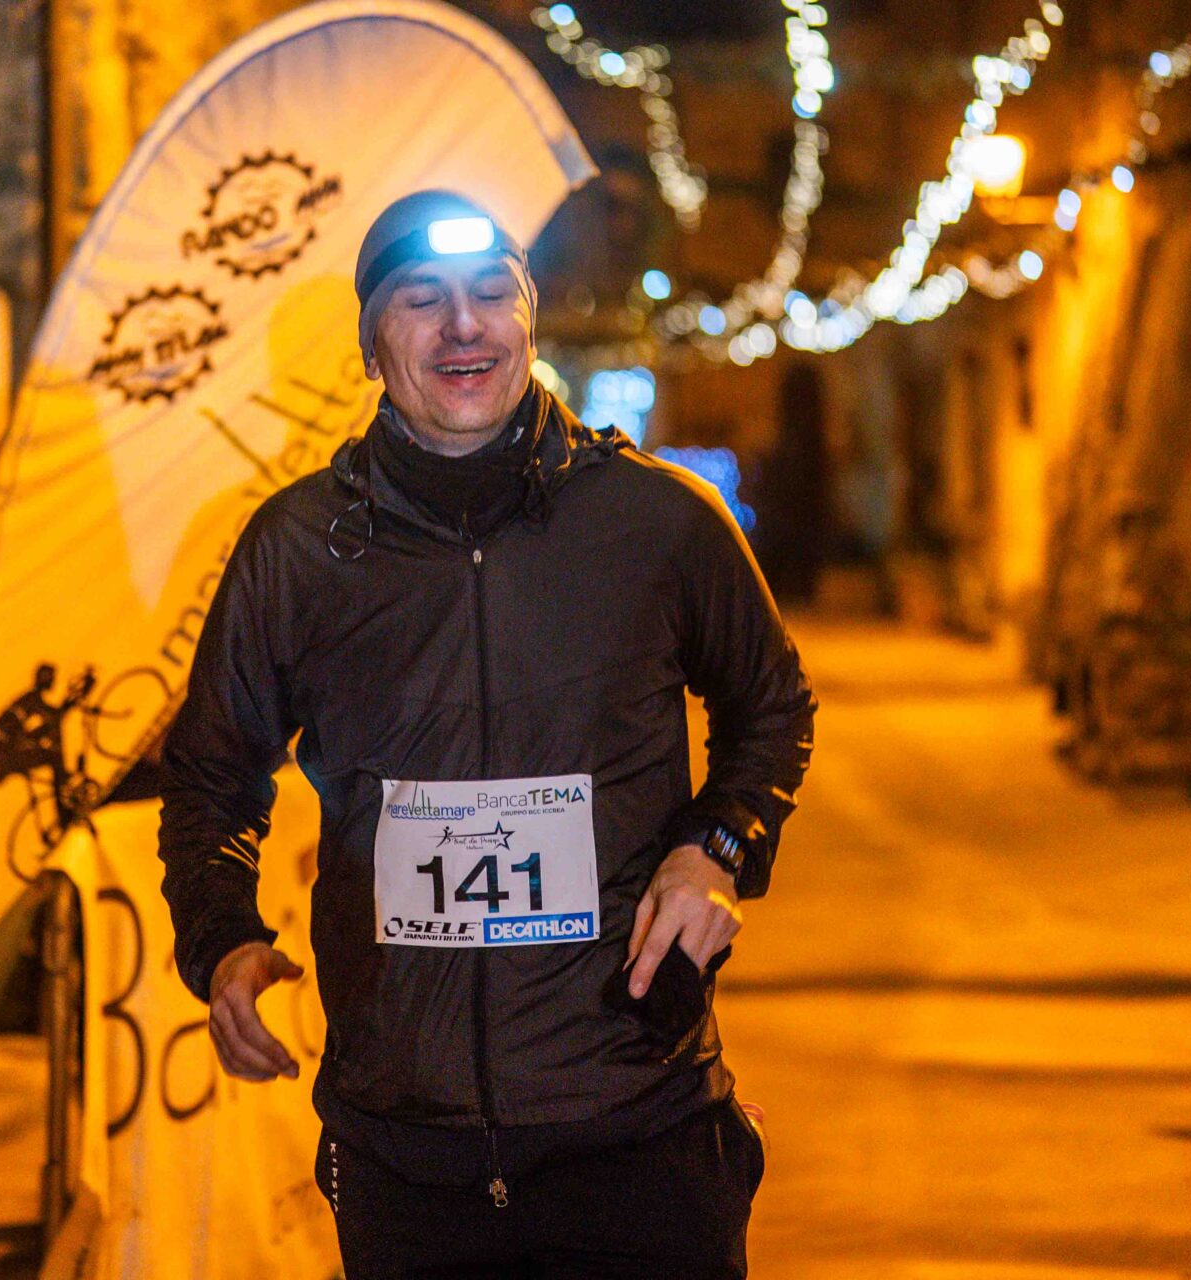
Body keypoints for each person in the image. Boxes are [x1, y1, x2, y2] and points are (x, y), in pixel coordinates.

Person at [156, 189, 816, 1278]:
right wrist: (219, 937)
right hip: (404, 1150)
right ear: (372, 345)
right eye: (422, 300)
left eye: (490, 293)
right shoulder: (299, 549)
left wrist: (719, 846)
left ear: (528, 316)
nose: (463, 325)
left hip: (636, 1125)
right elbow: (212, 772)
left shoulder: (656, 521)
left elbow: (772, 707)